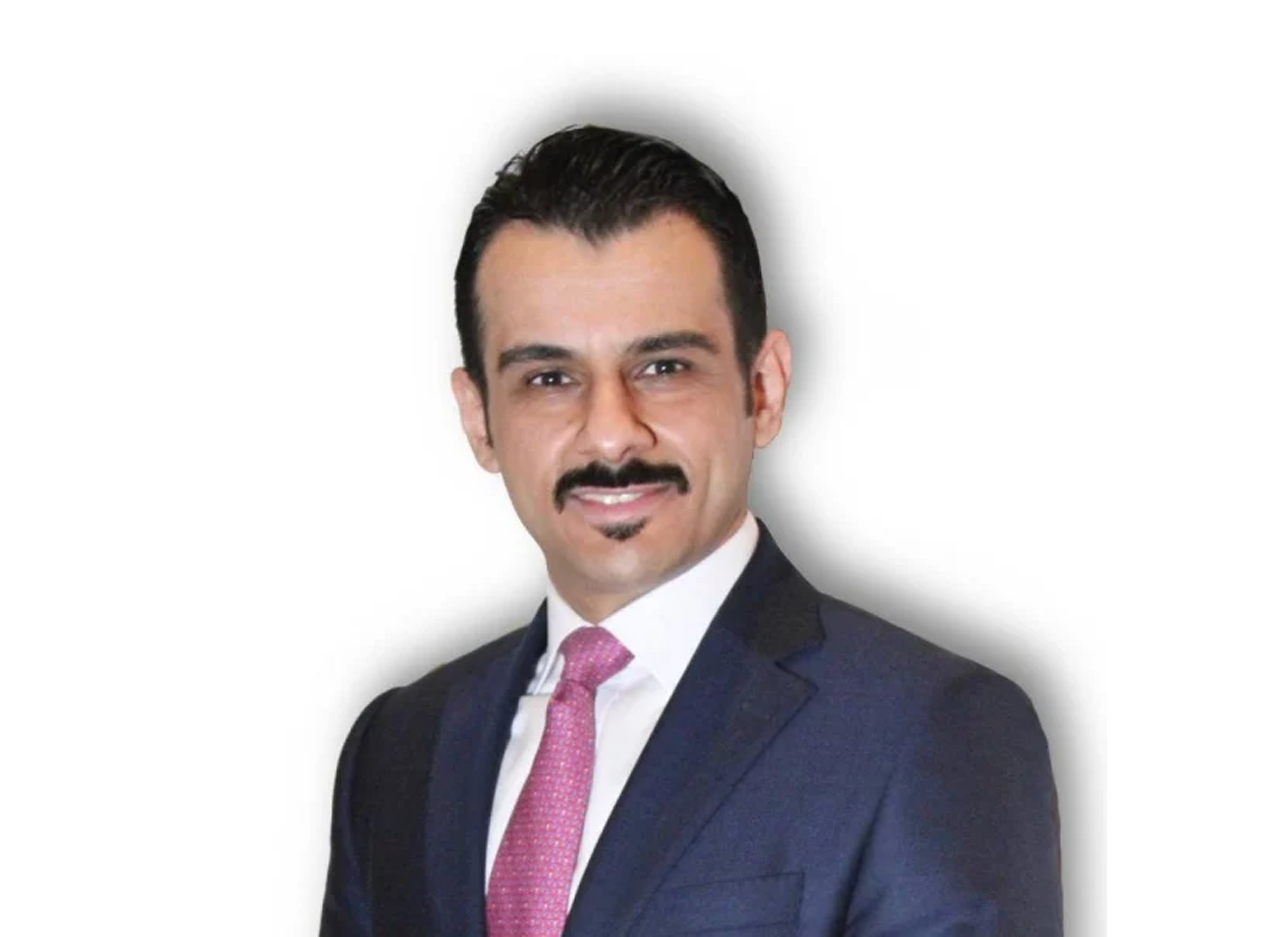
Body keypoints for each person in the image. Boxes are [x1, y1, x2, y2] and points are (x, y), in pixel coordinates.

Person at [320, 125, 1062, 937]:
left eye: (663, 367)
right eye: (550, 377)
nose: (611, 433)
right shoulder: (399, 748)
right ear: (479, 418)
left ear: (763, 388)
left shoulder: (925, 729)